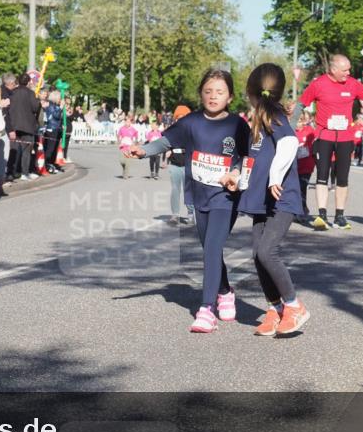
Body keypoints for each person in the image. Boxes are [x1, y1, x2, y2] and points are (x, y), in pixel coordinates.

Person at [126, 69, 250, 333]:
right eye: (208, 91)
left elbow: (247, 156)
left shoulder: (238, 125)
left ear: (230, 97)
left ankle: (206, 309)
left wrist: (236, 173)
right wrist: (143, 150)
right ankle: (225, 291)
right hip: (199, 194)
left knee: (212, 247)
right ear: (200, 94)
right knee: (210, 248)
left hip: (226, 196)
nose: (213, 96)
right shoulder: (191, 122)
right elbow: (165, 142)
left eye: (219, 92)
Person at [224, 63, 310, 336]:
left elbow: (289, 144)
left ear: (250, 92)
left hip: (281, 198)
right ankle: (276, 308)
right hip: (261, 199)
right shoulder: (259, 120)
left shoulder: (275, 117)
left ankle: (294, 306)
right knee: (257, 255)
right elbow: (254, 159)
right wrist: (240, 178)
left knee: (266, 251)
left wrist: (275, 177)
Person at [293, 54, 363, 230]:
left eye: (349, 69)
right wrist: (290, 128)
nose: (348, 73)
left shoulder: (353, 84)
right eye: (345, 70)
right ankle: (322, 215)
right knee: (322, 177)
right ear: (333, 70)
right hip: (324, 136)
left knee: (342, 179)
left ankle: (339, 216)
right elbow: (301, 104)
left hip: (345, 138)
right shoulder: (318, 84)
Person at [7, 73, 40, 180]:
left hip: (14, 124)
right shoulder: (30, 93)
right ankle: (24, 172)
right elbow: (35, 108)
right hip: (27, 125)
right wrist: (38, 101)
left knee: (14, 149)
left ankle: (11, 171)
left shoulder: (12, 92)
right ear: (28, 82)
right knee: (26, 150)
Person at [166, 105, 194, 225]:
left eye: (183, 117)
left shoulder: (192, 132)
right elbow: (166, 144)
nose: (180, 120)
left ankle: (191, 214)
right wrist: (167, 153)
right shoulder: (171, 131)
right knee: (175, 189)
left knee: (189, 190)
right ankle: (175, 215)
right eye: (178, 117)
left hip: (188, 165)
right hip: (174, 164)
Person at [295, 111, 316, 224]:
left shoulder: (310, 131)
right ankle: (301, 209)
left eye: (300, 120)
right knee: (294, 189)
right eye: (296, 120)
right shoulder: (291, 131)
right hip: (293, 166)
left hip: (306, 166)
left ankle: (302, 212)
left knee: (301, 188)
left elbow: (315, 145)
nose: (298, 123)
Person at [42, 90, 63, 173]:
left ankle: (51, 163)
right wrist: (60, 108)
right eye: (59, 98)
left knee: (54, 148)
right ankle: (47, 164)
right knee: (50, 148)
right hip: (51, 128)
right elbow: (56, 115)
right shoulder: (51, 106)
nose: (60, 100)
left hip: (56, 128)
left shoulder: (55, 106)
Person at [117, 115, 138, 179]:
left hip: (129, 148)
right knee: (121, 161)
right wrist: (119, 142)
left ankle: (126, 175)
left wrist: (135, 143)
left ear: (130, 123)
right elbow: (118, 136)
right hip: (122, 147)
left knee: (128, 162)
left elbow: (136, 135)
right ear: (125, 122)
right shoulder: (121, 128)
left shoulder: (133, 129)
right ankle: (124, 168)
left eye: (129, 122)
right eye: (126, 122)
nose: (127, 123)